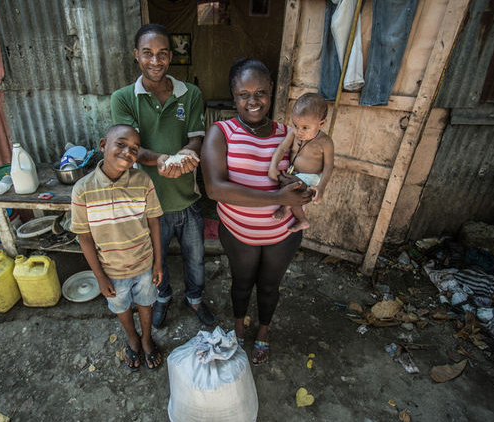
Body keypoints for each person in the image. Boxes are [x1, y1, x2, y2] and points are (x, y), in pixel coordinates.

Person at [201, 58, 314, 364]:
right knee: (241, 283)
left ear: (272, 91)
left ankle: (262, 332)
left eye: (261, 93)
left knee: (269, 286)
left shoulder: (289, 133)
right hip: (239, 233)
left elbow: (306, 172)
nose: (253, 101)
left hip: (283, 233)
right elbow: (215, 189)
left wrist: (305, 190)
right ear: (233, 94)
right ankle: (239, 328)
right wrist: (277, 197)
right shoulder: (220, 132)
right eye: (243, 94)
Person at [111, 23, 215, 328]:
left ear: (171, 56)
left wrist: (186, 154)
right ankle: (163, 298)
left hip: (187, 198)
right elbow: (131, 150)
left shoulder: (190, 94)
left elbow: (196, 137)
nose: (155, 61)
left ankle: (195, 299)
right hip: (148, 203)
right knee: (156, 263)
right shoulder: (124, 98)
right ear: (136, 55)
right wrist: (163, 159)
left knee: (195, 260)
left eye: (162, 54)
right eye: (147, 53)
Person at [70, 124, 163, 371]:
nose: (127, 152)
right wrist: (100, 276)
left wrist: (158, 263)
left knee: (145, 302)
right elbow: (84, 237)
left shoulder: (143, 180)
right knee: (121, 306)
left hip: (144, 263)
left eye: (134, 149)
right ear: (103, 145)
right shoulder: (83, 189)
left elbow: (154, 222)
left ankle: (146, 337)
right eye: (120, 144)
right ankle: (132, 337)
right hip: (111, 269)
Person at [268, 93, 335, 232]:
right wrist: (273, 166)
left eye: (305, 128)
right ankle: (303, 220)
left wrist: (321, 188)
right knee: (286, 183)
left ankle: (285, 208)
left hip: (311, 177)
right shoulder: (293, 133)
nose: (299, 131)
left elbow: (329, 167)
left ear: (321, 124)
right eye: (296, 125)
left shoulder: (325, 142)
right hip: (294, 173)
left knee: (292, 190)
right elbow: (281, 148)